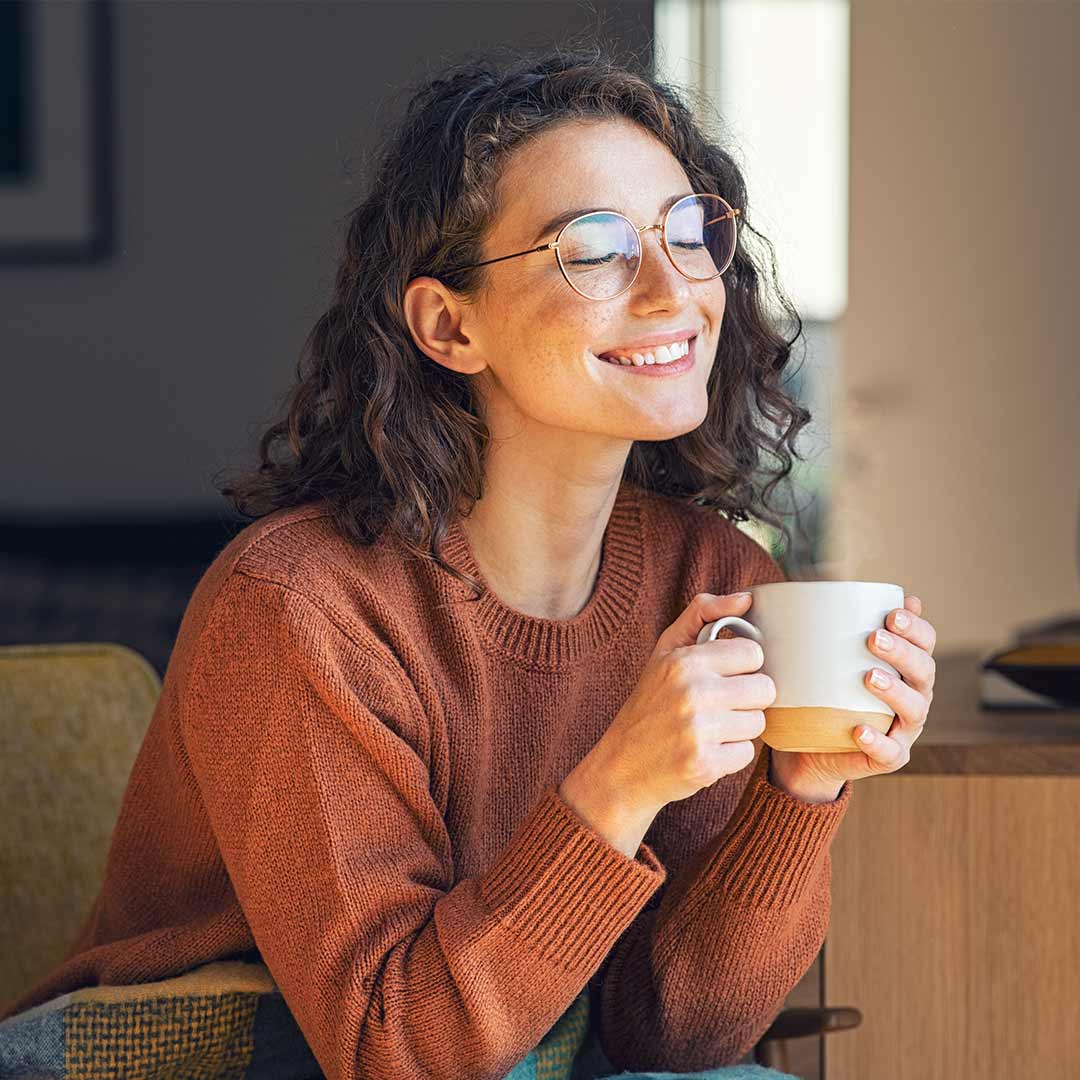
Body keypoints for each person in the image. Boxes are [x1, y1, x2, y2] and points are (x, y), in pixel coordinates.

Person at [0, 41, 937, 1080]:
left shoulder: (709, 582)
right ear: (450, 326)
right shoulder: (301, 606)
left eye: (688, 234)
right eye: (594, 249)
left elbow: (669, 1041)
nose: (675, 290)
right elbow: (390, 1051)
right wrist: (618, 783)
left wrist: (797, 795)